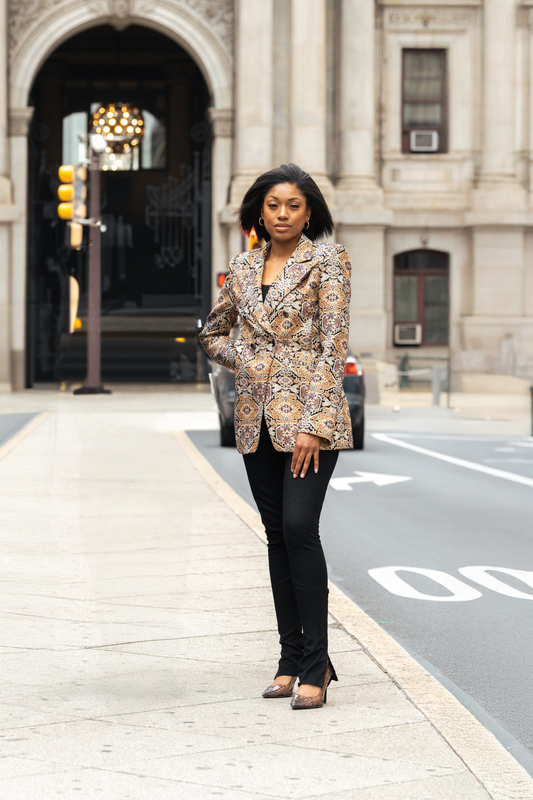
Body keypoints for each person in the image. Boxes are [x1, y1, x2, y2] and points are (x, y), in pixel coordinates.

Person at [199, 163, 352, 709]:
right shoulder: (242, 267)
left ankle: (317, 666)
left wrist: (313, 424)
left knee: (298, 527)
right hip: (256, 419)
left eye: (293, 205)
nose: (283, 214)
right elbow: (212, 333)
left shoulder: (329, 262)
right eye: (273, 205)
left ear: (310, 212)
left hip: (311, 422)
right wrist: (248, 359)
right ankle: (292, 660)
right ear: (257, 212)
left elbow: (334, 349)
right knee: (276, 536)